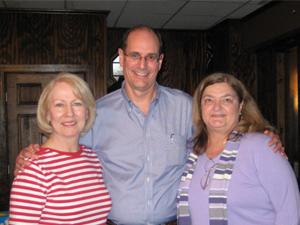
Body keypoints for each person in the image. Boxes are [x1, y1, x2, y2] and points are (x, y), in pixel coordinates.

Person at [14, 26, 283, 225]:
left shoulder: (185, 106)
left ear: (160, 61)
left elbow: (220, 131)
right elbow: (65, 149)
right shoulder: (97, 112)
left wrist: (261, 137)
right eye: (135, 55)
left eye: (151, 57)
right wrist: (32, 154)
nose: (142, 65)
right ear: (122, 56)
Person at [177, 72, 300, 225]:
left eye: (226, 100)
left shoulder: (262, 147)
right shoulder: (192, 152)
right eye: (209, 100)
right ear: (200, 108)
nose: (217, 107)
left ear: (240, 106)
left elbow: (289, 210)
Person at [9, 73, 112, 225]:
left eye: (77, 103)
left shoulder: (93, 159)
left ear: (87, 112)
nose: (69, 113)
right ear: (47, 114)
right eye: (59, 104)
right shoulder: (34, 167)